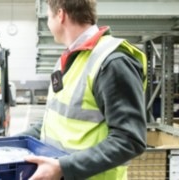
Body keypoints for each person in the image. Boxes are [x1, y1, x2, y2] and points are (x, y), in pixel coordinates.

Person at [18, 0, 147, 179]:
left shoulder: (112, 62)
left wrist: (63, 167)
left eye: (48, 17)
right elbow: (53, 121)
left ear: (61, 15)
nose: (48, 23)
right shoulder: (68, 60)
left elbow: (130, 140)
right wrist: (8, 143)